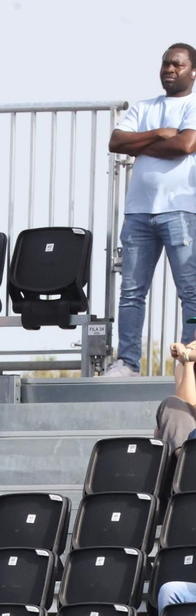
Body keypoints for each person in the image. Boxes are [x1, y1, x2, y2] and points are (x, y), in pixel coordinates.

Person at [104, 43, 196, 378]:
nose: (169, 69)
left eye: (178, 64)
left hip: (181, 211)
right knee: (131, 292)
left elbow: (185, 145)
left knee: (191, 292)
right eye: (165, 63)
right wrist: (159, 134)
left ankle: (190, 360)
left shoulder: (193, 104)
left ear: (193, 70)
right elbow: (116, 142)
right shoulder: (144, 108)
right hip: (139, 212)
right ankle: (127, 362)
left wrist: (141, 145)